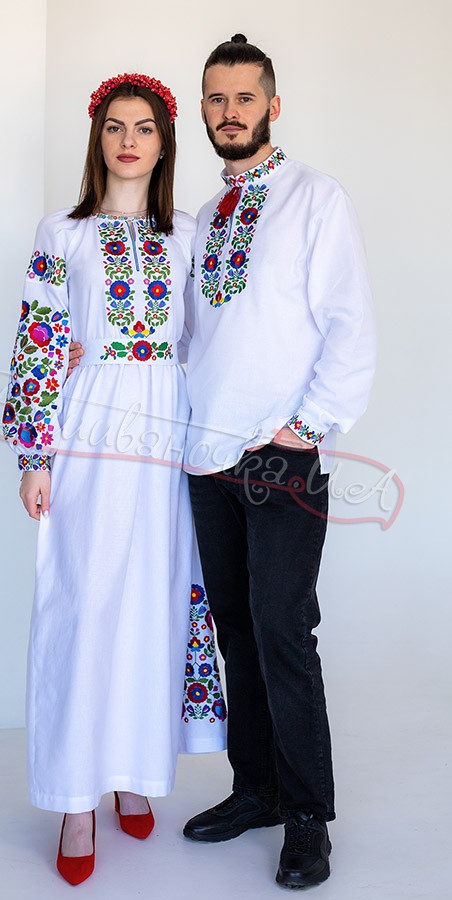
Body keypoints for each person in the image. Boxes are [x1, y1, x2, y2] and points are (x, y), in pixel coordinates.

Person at [3, 72, 225, 886]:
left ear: (165, 144)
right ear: (97, 140)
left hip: (168, 432)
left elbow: (215, 339)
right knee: (84, 601)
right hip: (91, 430)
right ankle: (74, 799)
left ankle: (134, 768)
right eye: (114, 127)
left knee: (154, 601)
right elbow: (38, 340)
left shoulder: (190, 235)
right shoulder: (62, 233)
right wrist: (35, 454)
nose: (129, 141)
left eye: (145, 128)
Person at [180, 35, 377, 889]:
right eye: (217, 98)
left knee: (283, 633)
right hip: (206, 455)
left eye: (245, 98)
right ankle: (255, 788)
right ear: (203, 109)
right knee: (235, 630)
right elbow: (193, 337)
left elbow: (350, 325)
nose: (231, 113)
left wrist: (309, 425)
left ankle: (306, 816)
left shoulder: (314, 199)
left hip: (279, 455)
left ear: (273, 105)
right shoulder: (206, 216)